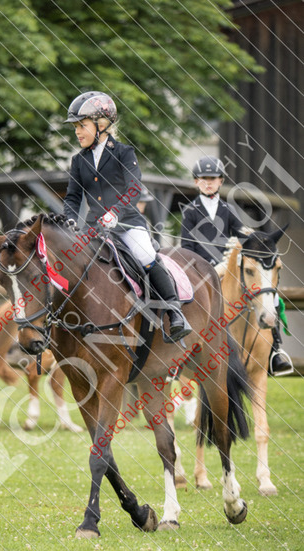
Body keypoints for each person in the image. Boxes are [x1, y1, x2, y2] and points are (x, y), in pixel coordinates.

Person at [63, 90, 191, 342]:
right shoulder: (78, 161)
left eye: (82, 125)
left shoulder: (123, 152)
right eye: (75, 127)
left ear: (101, 125)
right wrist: (70, 219)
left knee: (146, 255)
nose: (77, 132)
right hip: (93, 228)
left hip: (126, 223)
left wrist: (115, 212)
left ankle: (174, 311)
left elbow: (134, 189)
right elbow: (73, 197)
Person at [181, 155, 292, 376]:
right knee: (183, 297)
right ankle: (182, 351)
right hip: (200, 269)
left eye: (213, 178)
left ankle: (275, 351)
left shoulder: (228, 209)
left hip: (226, 266)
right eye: (204, 179)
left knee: (269, 295)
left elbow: (242, 235)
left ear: (221, 181)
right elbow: (187, 246)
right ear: (196, 182)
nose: (208, 183)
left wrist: (258, 240)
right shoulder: (190, 211)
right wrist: (204, 266)